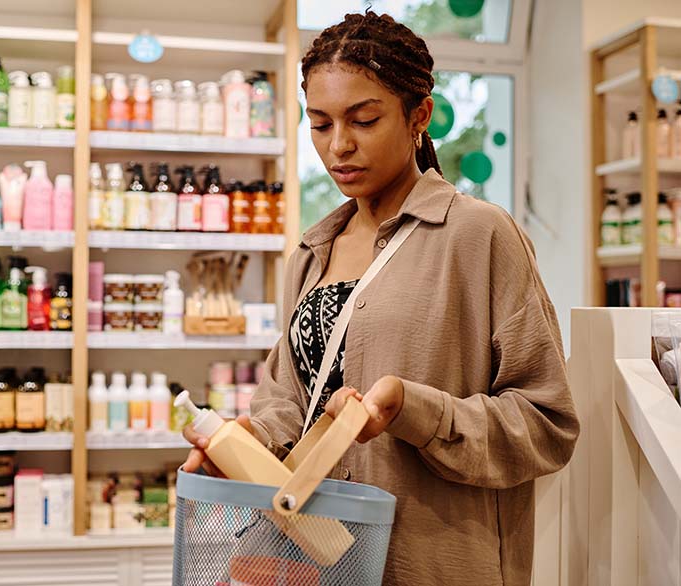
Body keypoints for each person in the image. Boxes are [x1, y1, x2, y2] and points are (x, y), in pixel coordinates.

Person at [183, 11, 579, 586]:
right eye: (319, 125)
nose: (339, 146)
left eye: (363, 120)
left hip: (433, 562)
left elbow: (547, 425)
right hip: (313, 563)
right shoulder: (312, 251)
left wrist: (418, 412)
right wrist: (246, 442)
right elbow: (288, 399)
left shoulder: (479, 235)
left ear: (419, 116)